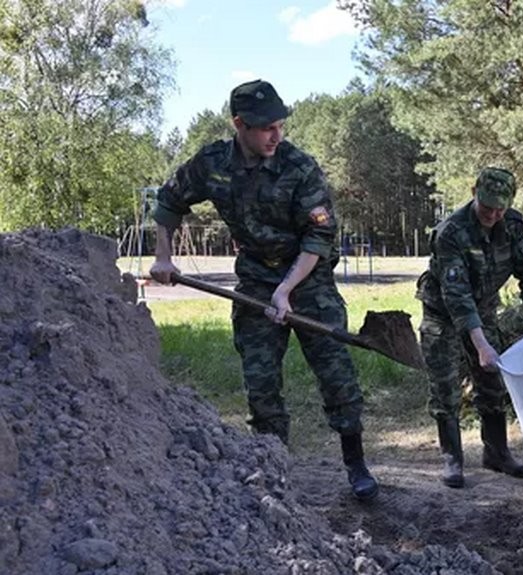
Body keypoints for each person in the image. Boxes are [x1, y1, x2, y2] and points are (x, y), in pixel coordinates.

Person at [148, 79, 378, 502]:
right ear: (239, 124)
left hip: (309, 280)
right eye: (265, 127)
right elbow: (168, 201)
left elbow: (319, 238)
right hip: (255, 279)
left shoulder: (299, 167)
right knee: (261, 383)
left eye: (280, 125)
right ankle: (275, 469)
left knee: (335, 372)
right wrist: (164, 257)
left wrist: (287, 290)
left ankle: (356, 464)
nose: (276, 135)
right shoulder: (214, 163)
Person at [416, 167, 523, 488]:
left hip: (485, 308)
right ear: (474, 192)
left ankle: (496, 452)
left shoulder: (514, 225)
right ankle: (452, 458)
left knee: (492, 381)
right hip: (443, 313)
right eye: (487, 206)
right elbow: (457, 296)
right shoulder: (451, 232)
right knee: (445, 385)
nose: (493, 214)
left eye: (500, 208)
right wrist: (480, 344)